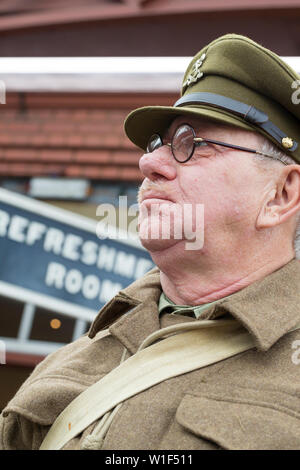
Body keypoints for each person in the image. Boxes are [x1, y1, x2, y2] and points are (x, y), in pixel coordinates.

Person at [1, 33, 300, 450]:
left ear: (280, 194)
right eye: (159, 143)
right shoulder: (75, 358)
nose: (148, 162)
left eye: (193, 145)